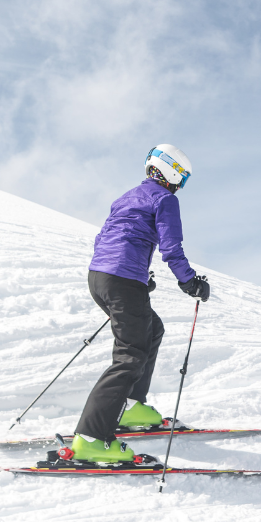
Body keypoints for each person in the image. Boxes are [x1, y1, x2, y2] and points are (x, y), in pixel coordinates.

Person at [69, 144, 210, 463]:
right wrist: (189, 281)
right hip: (121, 280)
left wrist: (134, 274)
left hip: (99, 277)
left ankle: (131, 407)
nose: (180, 185)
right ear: (172, 171)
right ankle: (91, 438)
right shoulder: (165, 199)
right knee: (130, 355)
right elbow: (171, 248)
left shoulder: (127, 197)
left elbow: (107, 238)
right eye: (182, 177)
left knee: (152, 329)